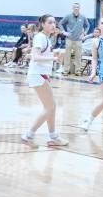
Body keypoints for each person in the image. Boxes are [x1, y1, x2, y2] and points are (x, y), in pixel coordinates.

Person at [20, 14, 68, 147]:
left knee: (51, 107)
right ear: (43, 24)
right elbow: (35, 57)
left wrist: (53, 54)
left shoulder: (45, 38)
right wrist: (54, 58)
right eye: (50, 22)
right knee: (50, 107)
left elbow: (39, 55)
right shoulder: (40, 37)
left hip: (41, 75)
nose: (53, 25)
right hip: (37, 75)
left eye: (54, 22)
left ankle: (53, 137)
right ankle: (29, 135)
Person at [58, 3, 90, 76]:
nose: (76, 8)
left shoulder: (83, 17)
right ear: (72, 8)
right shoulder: (68, 16)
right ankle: (66, 70)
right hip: (69, 38)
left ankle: (77, 71)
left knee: (78, 56)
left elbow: (88, 25)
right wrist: (63, 32)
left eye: (77, 7)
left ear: (79, 8)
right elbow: (60, 23)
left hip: (78, 39)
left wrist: (84, 33)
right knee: (67, 55)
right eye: (75, 7)